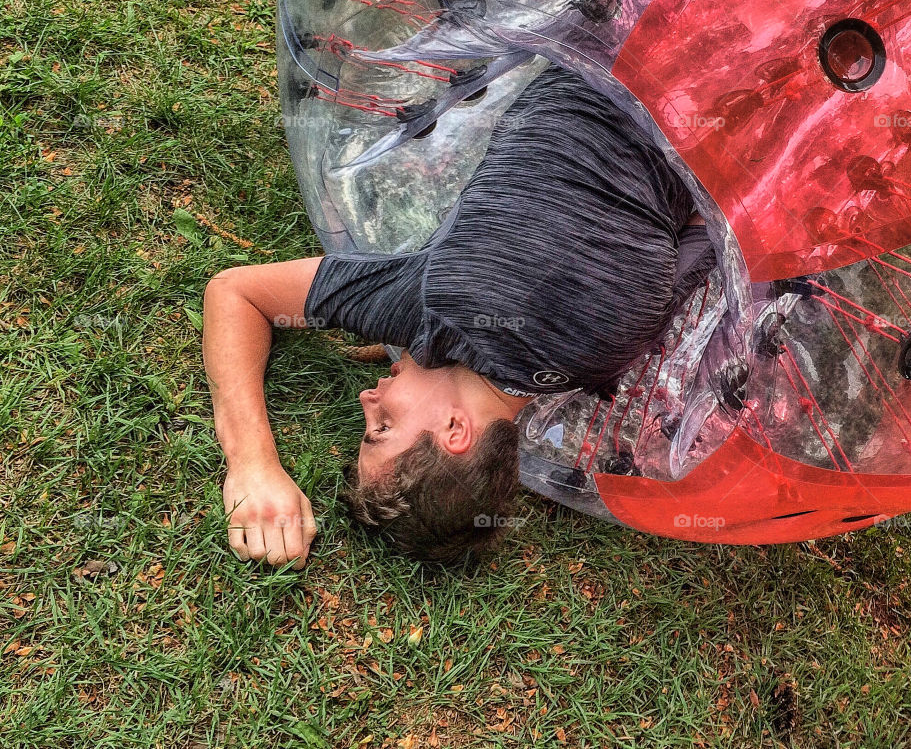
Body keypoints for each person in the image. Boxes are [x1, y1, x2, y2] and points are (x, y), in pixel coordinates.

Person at [202, 63, 715, 569]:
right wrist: (252, 464)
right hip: (624, 44)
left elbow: (709, 223)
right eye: (382, 426)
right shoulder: (432, 304)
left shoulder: (614, 358)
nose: (366, 397)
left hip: (722, 113)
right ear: (454, 429)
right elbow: (236, 293)